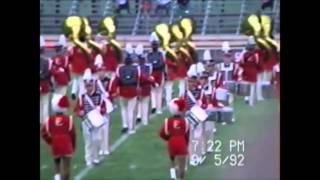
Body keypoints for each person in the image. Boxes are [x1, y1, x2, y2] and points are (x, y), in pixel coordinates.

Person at [110, 54, 156, 134]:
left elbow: (116, 81)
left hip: (122, 91)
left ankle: (125, 125)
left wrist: (112, 91)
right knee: (130, 110)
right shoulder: (136, 69)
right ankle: (131, 128)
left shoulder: (119, 69)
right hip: (133, 91)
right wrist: (152, 81)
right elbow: (142, 78)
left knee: (123, 109)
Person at [74, 68, 107, 166]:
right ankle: (88, 159)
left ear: (93, 85)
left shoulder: (99, 96)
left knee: (97, 139)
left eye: (90, 85)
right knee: (88, 141)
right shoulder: (82, 97)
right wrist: (79, 112)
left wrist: (100, 111)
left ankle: (96, 158)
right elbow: (77, 109)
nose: (88, 87)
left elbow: (104, 107)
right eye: (87, 86)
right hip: (86, 121)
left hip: (96, 121)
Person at [41, 94, 76, 180]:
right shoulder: (69, 120)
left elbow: (43, 132)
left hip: (55, 143)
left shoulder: (49, 120)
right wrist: (73, 146)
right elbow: (73, 134)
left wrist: (50, 141)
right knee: (66, 166)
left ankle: (57, 178)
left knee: (57, 164)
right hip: (66, 144)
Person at [159, 98, 189, 180]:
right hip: (182, 142)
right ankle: (181, 178)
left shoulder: (167, 121)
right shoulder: (186, 121)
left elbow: (162, 133)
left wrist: (168, 139)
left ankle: (173, 176)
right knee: (182, 165)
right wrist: (186, 145)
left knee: (172, 160)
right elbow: (187, 136)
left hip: (172, 142)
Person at [93, 57, 114, 156]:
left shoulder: (108, 80)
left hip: (106, 107)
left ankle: (106, 148)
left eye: (102, 71)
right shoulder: (94, 82)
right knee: (99, 129)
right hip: (96, 107)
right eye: (99, 71)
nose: (101, 73)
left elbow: (111, 92)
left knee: (106, 128)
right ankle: (101, 148)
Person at [135, 44, 155, 125]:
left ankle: (139, 116)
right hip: (145, 86)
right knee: (145, 103)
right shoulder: (148, 66)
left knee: (140, 102)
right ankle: (144, 120)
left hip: (139, 86)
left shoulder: (136, 67)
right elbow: (150, 76)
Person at [239, 37, 261, 106]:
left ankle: (251, 99)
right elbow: (241, 62)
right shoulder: (244, 53)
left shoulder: (255, 54)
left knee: (252, 86)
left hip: (252, 72)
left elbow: (257, 63)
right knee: (248, 86)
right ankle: (247, 99)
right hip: (247, 72)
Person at [147, 41, 165, 114]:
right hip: (159, 72)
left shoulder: (149, 54)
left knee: (153, 91)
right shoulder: (160, 54)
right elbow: (163, 64)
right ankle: (158, 108)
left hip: (152, 72)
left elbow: (148, 64)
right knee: (159, 91)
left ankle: (154, 106)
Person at [40, 36, 52, 124]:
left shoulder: (46, 61)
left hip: (43, 82)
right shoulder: (46, 61)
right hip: (44, 84)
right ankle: (45, 120)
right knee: (45, 103)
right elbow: (47, 74)